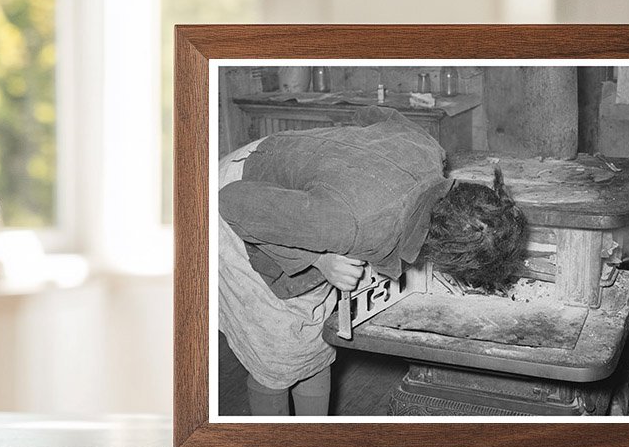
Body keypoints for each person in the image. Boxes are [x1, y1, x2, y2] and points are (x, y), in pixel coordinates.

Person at [216, 105, 527, 416]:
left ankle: (310, 442)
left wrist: (345, 166)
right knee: (277, 355)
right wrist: (319, 259)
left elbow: (371, 115)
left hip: (300, 184)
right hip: (238, 198)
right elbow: (233, 202)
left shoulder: (428, 148)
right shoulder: (350, 223)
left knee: (313, 348)